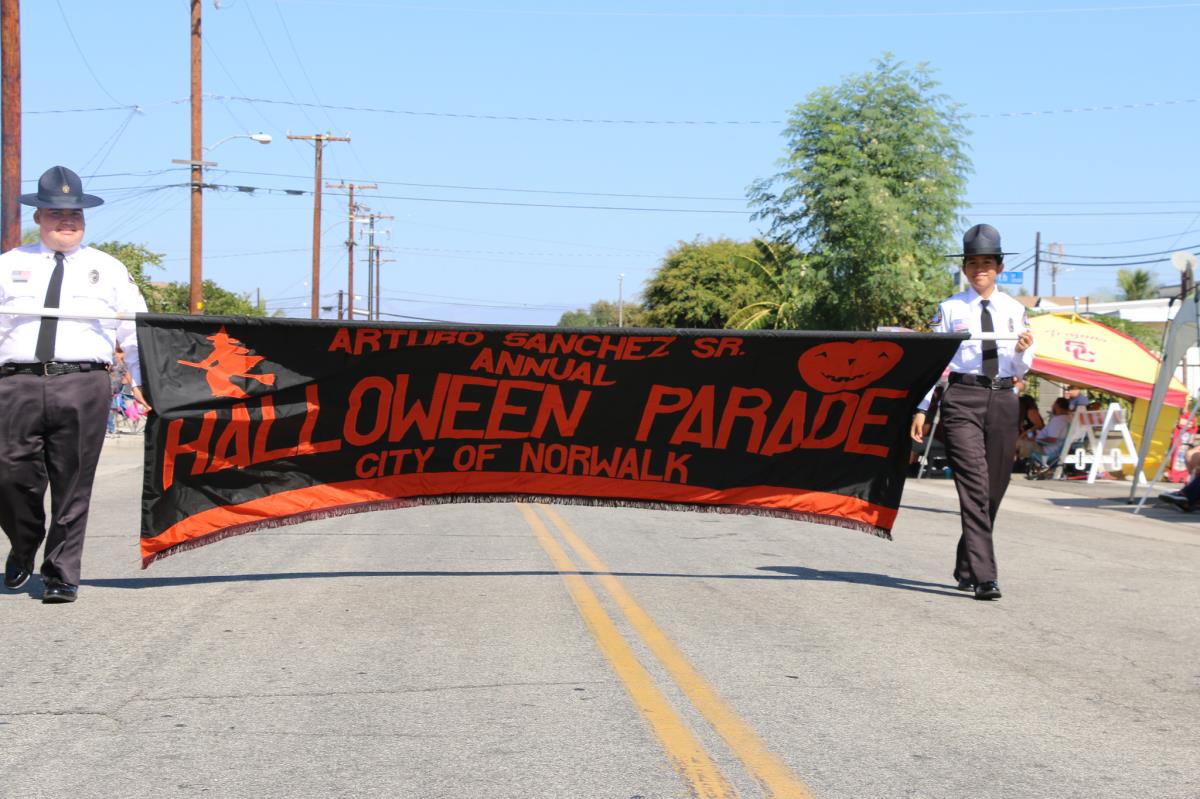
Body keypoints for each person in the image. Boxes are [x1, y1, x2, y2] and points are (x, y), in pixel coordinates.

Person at [0, 165, 148, 603]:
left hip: (84, 383)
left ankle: (61, 573)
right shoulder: (9, 265)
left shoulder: (109, 269)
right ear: (38, 217)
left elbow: (134, 332)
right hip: (15, 384)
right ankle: (25, 543)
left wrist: (144, 383)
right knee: (8, 474)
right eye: (57, 212)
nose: (67, 221)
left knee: (74, 481)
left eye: (75, 214)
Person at [911, 223, 1035, 601]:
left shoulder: (1015, 309)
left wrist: (1022, 349)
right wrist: (923, 406)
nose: (980, 269)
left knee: (994, 490)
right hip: (962, 398)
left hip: (1003, 399)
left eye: (987, 262)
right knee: (974, 487)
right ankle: (985, 576)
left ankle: (967, 564)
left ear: (998, 267)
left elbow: (1023, 367)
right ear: (965, 268)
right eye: (973, 263)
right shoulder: (949, 309)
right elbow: (935, 362)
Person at [1026, 398, 1072, 476]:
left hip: (1048, 451)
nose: (1052, 406)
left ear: (1057, 406)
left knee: (1019, 444)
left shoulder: (1058, 420)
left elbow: (1052, 440)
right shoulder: (1067, 418)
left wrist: (1036, 440)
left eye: (1053, 404)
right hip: (1057, 449)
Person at [1015, 393, 1045, 463]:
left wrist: (1025, 433)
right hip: (1029, 435)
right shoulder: (1023, 412)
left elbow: (1039, 425)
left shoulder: (1031, 411)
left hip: (1034, 435)